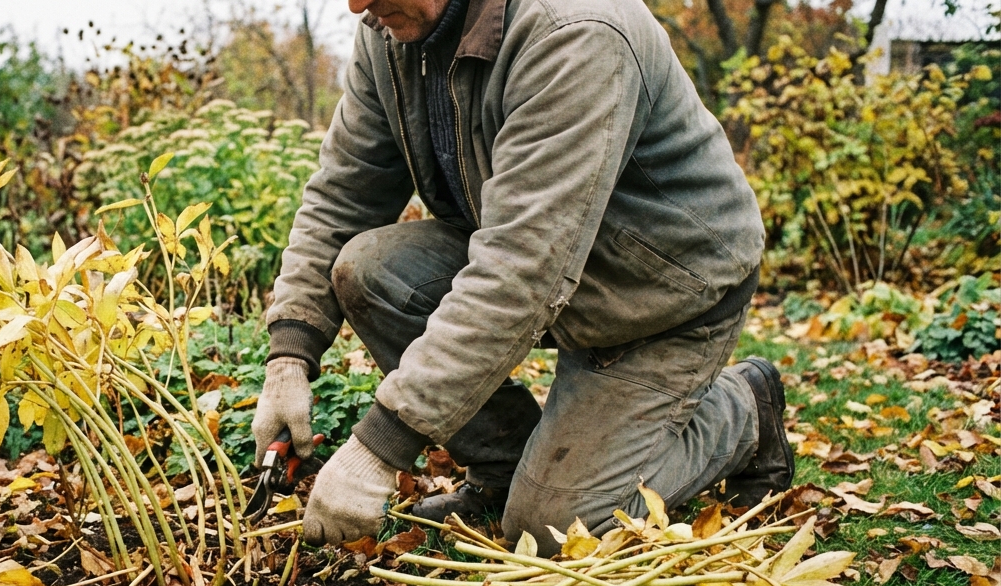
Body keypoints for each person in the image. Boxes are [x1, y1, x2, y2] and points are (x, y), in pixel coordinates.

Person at [251, 0, 794, 555]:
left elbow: (522, 268)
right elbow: (344, 193)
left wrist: (381, 446)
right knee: (368, 270)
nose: (357, 6)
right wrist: (290, 353)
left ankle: (745, 410)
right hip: (558, 268)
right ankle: (505, 468)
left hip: (664, 291)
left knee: (555, 530)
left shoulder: (575, 33)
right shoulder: (391, 33)